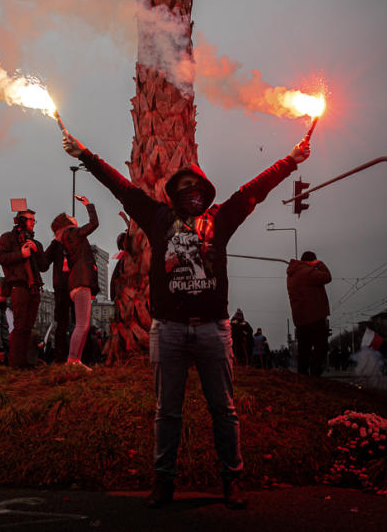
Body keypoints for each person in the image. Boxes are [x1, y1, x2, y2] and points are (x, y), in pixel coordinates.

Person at [61, 124, 311, 510]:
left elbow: (254, 190)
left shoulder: (221, 219)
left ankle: (232, 480)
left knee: (224, 409)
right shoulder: (158, 218)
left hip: (214, 329)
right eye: (184, 190)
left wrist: (290, 161)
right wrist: (85, 156)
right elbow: (123, 189)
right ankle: (164, 482)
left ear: (206, 193)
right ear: (174, 196)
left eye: (197, 189)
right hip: (169, 330)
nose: (191, 194)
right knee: (167, 410)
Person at [0, 208, 49, 368]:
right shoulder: (8, 238)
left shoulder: (35, 242)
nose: (33, 223)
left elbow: (44, 266)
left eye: (34, 220)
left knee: (28, 327)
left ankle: (25, 361)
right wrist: (21, 254)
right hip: (18, 285)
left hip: (34, 287)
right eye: (30, 219)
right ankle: (16, 363)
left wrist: (36, 251)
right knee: (20, 325)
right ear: (21, 221)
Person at [50, 194, 100, 370]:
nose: (75, 219)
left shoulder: (67, 239)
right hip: (81, 281)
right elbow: (94, 224)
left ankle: (75, 360)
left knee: (81, 325)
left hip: (76, 282)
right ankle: (72, 360)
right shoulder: (72, 234)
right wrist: (89, 205)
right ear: (66, 225)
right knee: (82, 325)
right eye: (72, 219)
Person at [286, 251, 332, 376]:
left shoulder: (291, 275)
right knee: (320, 347)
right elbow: (328, 277)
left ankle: (303, 377)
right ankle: (315, 374)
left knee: (304, 350)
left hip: (301, 319)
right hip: (315, 317)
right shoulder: (308, 273)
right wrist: (319, 263)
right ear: (311, 262)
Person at [45, 228, 74, 364]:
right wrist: (55, 241)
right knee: (62, 323)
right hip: (62, 289)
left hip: (75, 287)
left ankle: (76, 355)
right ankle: (61, 357)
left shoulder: (76, 244)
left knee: (77, 323)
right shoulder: (56, 246)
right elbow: (43, 264)